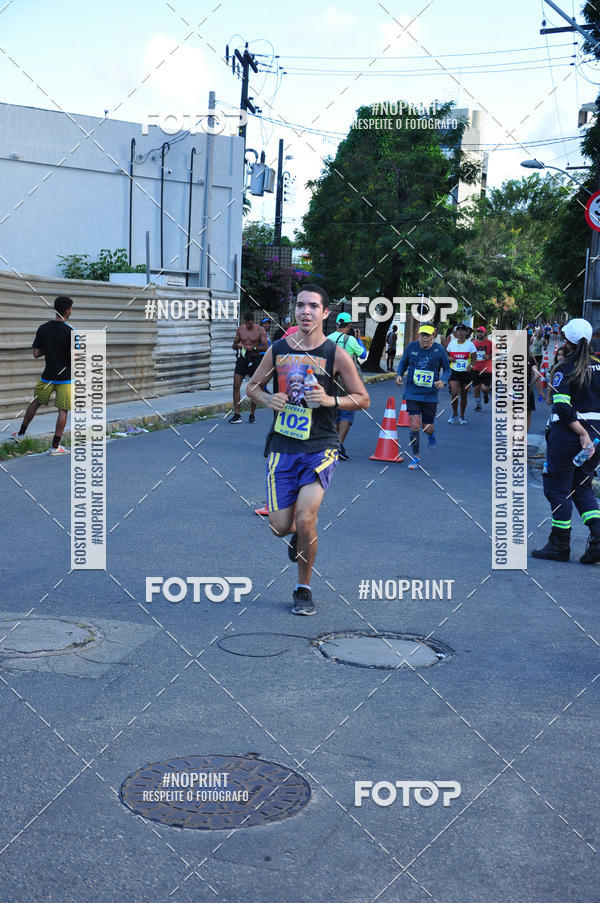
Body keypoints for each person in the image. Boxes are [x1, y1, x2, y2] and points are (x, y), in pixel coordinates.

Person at [246, 285, 370, 615]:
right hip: (283, 446)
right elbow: (253, 386)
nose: (306, 311)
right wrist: (267, 398)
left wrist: (331, 399)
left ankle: (303, 588)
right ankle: (299, 538)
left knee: (306, 517)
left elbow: (362, 398)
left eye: (313, 306)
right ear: (294, 310)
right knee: (279, 526)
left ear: (325, 313)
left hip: (321, 446)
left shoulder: (335, 353)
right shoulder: (278, 349)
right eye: (301, 305)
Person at [532, 318, 600, 563]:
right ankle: (598, 536)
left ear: (567, 341)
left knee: (557, 488)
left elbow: (562, 408)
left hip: (569, 437)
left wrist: (582, 434)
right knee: (581, 486)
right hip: (597, 439)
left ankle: (560, 545)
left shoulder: (565, 368)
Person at [11, 295, 75, 455]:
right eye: (71, 308)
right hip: (65, 378)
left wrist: (51, 348)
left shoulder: (43, 328)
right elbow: (75, 357)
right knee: (63, 410)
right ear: (67, 310)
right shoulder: (70, 331)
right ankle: (55, 447)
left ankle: (20, 434)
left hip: (47, 376)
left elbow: (36, 353)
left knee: (35, 403)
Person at [396, 324, 451, 469]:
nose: (425, 338)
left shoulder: (439, 350)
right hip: (412, 393)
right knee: (414, 424)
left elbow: (447, 370)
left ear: (433, 335)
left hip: (429, 395)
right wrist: (399, 375)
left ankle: (431, 436)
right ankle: (415, 457)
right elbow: (403, 363)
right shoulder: (411, 347)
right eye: (423, 335)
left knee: (427, 428)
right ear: (419, 335)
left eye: (428, 335)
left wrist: (443, 381)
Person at [327, 312, 368, 460]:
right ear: (349, 325)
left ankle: (333, 444)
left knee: (336, 408)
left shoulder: (327, 339)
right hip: (347, 380)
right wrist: (358, 339)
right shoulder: (350, 340)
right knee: (348, 411)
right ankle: (339, 445)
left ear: (337, 324)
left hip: (331, 378)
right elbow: (363, 355)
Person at [229, 312, 268, 424]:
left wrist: (254, 348)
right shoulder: (240, 329)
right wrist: (238, 346)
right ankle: (237, 414)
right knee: (236, 384)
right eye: (246, 323)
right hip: (243, 358)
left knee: (254, 387)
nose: (247, 325)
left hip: (255, 359)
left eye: (249, 323)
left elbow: (265, 347)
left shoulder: (260, 330)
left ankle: (252, 414)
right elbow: (233, 345)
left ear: (253, 321)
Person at [446, 324, 477, 424]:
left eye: (462, 331)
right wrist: (450, 358)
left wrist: (470, 366)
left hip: (466, 373)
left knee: (464, 395)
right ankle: (454, 413)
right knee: (454, 393)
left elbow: (474, 358)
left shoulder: (470, 345)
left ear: (466, 332)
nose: (460, 333)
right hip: (454, 371)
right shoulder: (452, 344)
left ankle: (462, 415)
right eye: (458, 331)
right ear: (456, 333)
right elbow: (446, 354)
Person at [472, 326, 492, 411]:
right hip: (475, 368)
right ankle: (478, 405)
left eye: (481, 332)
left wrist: (489, 356)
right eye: (478, 332)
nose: (479, 333)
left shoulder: (490, 343)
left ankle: (486, 394)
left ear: (484, 333)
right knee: (476, 388)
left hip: (487, 369)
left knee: (484, 388)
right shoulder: (473, 343)